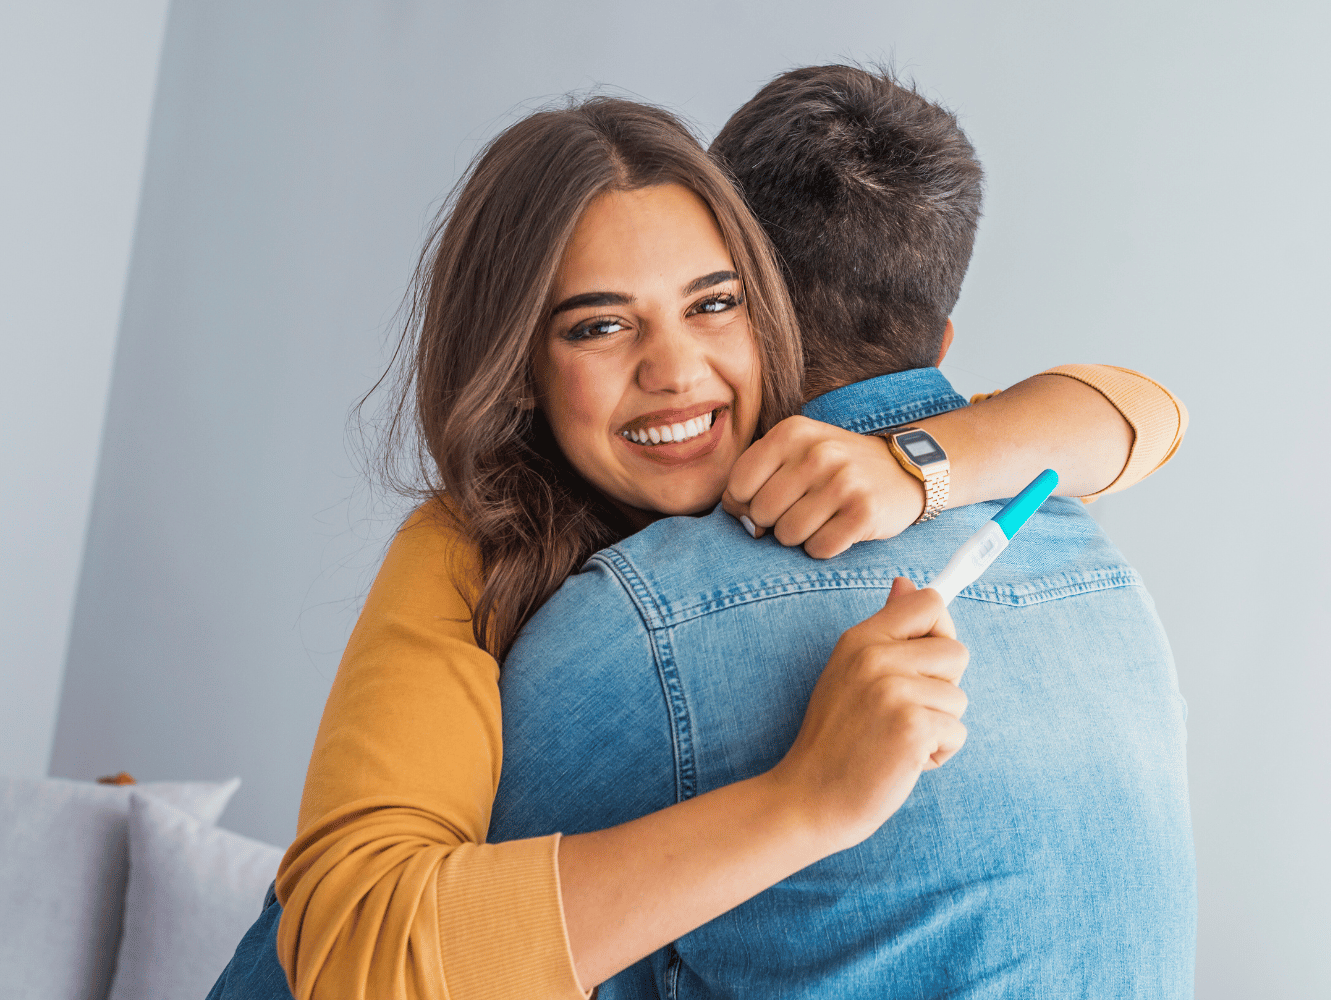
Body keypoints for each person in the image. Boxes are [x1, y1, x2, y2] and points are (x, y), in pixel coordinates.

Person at [209, 88, 1186, 1000]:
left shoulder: (823, 461)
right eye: (599, 326)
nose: (675, 370)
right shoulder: (466, 549)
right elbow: (342, 948)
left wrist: (921, 466)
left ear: (772, 316)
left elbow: (1141, 411)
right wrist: (806, 799)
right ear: (518, 371)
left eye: (712, 304)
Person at [485, 65, 1195, 998]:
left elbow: (381, 955)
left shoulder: (642, 625)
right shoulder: (1107, 580)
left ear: (745, 307)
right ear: (942, 345)